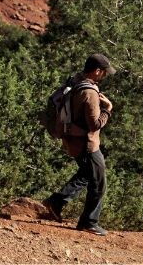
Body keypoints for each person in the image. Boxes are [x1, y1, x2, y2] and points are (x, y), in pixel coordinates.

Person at [42, 54, 115, 236]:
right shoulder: (89, 92)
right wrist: (108, 109)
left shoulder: (75, 81)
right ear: (97, 71)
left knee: (85, 174)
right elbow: (95, 124)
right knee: (99, 182)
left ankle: (56, 202)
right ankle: (89, 222)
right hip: (87, 144)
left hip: (73, 140)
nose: (104, 76)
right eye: (104, 73)